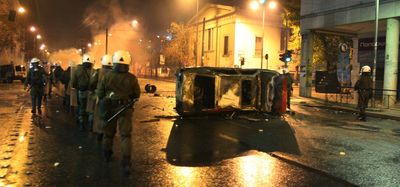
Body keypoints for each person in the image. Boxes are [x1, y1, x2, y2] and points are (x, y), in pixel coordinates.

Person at [98, 50, 140, 175]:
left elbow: (100, 94)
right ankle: (126, 163)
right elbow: (136, 95)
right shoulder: (132, 78)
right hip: (125, 110)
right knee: (125, 136)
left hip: (109, 108)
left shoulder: (107, 76)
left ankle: (106, 154)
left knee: (108, 134)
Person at [90, 54, 113, 141]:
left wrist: (94, 92)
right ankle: (108, 133)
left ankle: (99, 132)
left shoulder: (98, 72)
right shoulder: (114, 73)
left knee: (99, 115)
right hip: (111, 98)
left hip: (100, 97)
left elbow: (92, 83)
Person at [72, 53, 94, 131]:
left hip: (81, 91)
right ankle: (91, 125)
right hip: (91, 92)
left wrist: (76, 87)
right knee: (91, 108)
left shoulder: (78, 70)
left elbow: (73, 82)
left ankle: (82, 124)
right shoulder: (93, 71)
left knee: (82, 107)